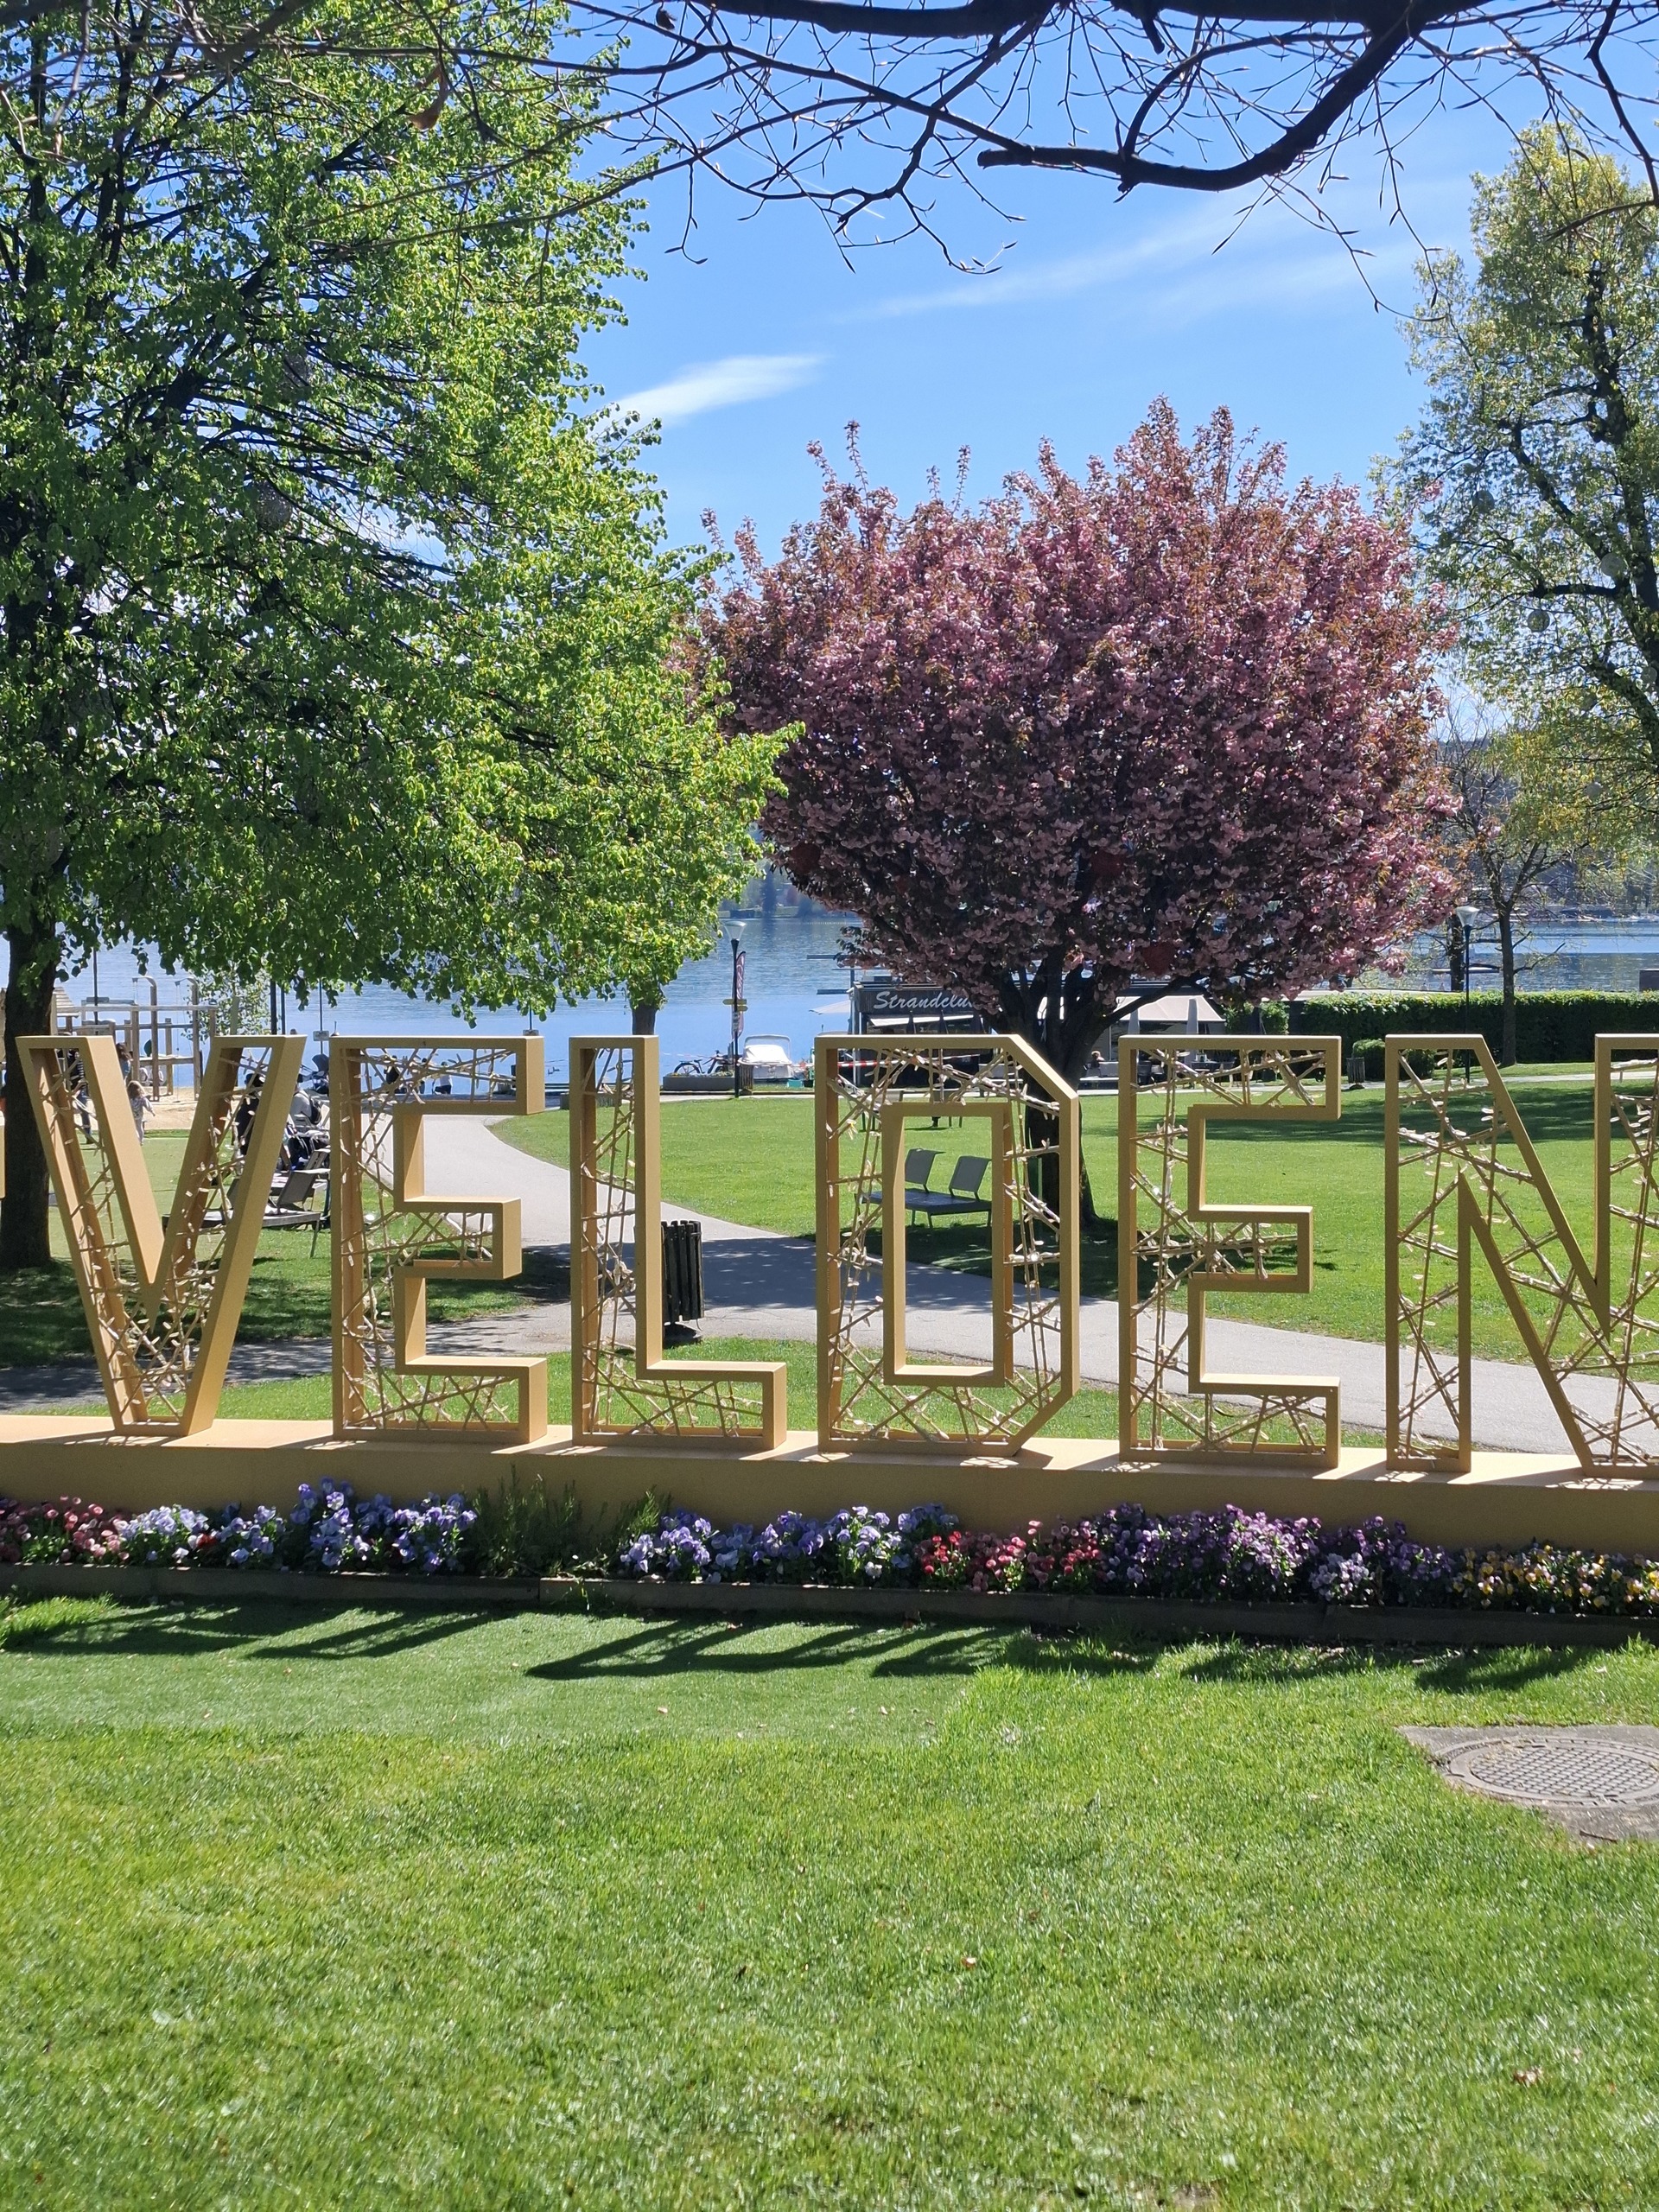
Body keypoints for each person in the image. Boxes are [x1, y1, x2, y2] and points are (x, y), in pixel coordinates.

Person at [126, 1078, 148, 1144]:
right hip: (139, 1114)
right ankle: (140, 1140)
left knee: (133, 1127)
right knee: (139, 1127)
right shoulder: (141, 1097)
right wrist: (151, 1110)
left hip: (131, 1114)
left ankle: (136, 1139)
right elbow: (147, 1104)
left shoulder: (128, 1098)